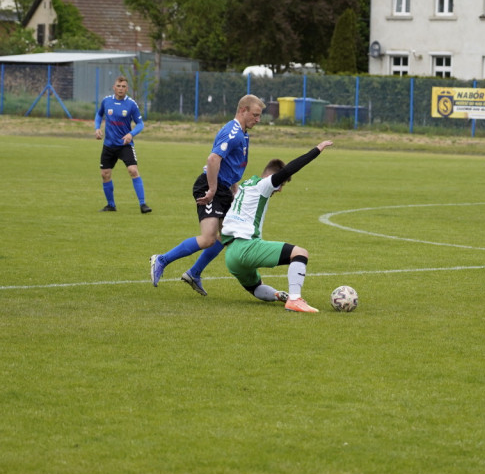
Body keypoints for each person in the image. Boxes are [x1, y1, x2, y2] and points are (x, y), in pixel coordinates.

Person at [150, 94, 264, 295]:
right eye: (255, 115)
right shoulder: (233, 132)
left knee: (227, 235)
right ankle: (161, 260)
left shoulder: (243, 134)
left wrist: (234, 187)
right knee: (208, 238)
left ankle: (194, 273)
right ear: (243, 110)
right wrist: (211, 189)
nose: (258, 119)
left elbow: (230, 164)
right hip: (211, 186)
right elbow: (213, 160)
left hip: (223, 187)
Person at [221, 141, 334, 312]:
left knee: (255, 287)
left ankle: (279, 295)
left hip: (230, 255)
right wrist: (317, 149)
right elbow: (289, 169)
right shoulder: (263, 185)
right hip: (246, 247)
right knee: (300, 253)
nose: (280, 189)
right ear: (271, 177)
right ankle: (295, 299)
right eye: (281, 184)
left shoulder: (245, 185)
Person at [94, 76, 150, 213]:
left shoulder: (131, 104)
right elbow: (99, 114)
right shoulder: (106, 101)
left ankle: (143, 204)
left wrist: (131, 134)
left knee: (133, 170)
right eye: (118, 86)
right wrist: (97, 128)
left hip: (125, 145)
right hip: (108, 145)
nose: (120, 89)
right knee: (105, 174)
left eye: (123, 86)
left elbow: (140, 124)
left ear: (127, 89)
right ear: (114, 87)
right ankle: (111, 205)